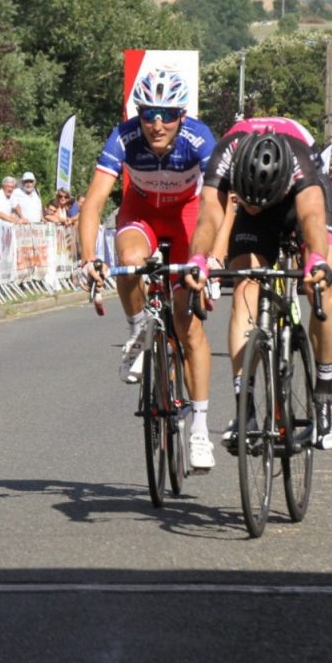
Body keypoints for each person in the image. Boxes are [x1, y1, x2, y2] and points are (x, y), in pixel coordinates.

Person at [78, 67, 217, 470]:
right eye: (148, 113)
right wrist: (89, 259)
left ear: (182, 115)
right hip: (141, 213)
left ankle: (200, 430)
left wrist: (208, 257)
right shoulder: (124, 137)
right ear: (138, 113)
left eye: (167, 114)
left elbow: (215, 204)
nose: (157, 124)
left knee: (187, 323)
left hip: (188, 214)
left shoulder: (199, 137)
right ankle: (139, 327)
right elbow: (94, 203)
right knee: (130, 260)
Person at [184, 125, 332, 450]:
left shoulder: (302, 160)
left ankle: (325, 392)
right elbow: (209, 216)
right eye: (244, 199)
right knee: (245, 282)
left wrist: (315, 259)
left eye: (254, 201)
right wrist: (198, 259)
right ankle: (246, 405)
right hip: (256, 202)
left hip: (297, 201)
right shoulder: (225, 155)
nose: (252, 205)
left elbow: (312, 215)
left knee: (320, 287)